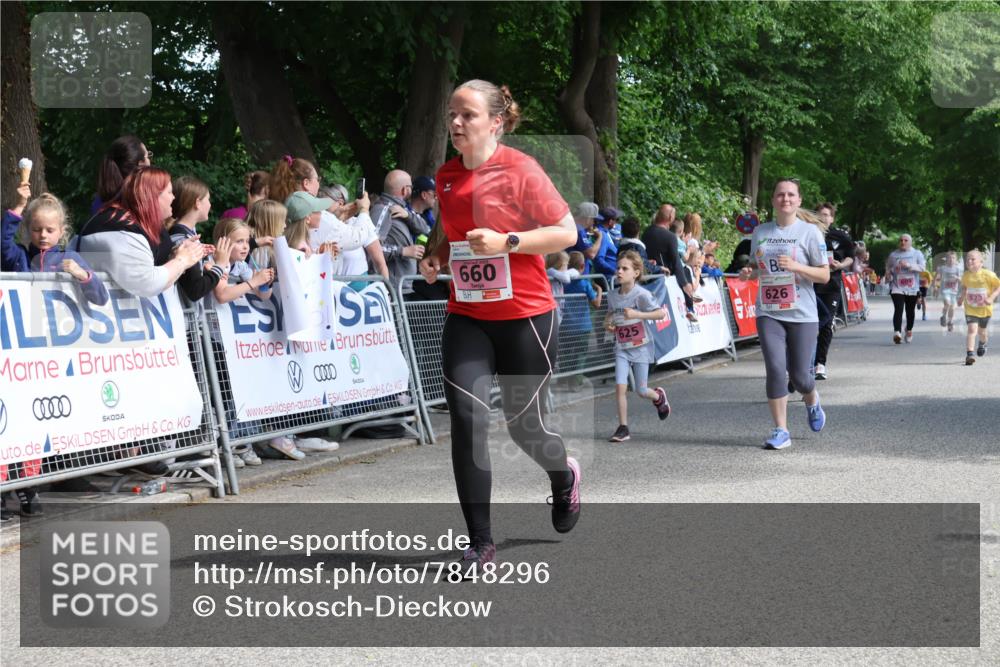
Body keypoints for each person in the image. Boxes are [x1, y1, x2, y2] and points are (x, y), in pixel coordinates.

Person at [418, 79, 581, 574]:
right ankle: (480, 542)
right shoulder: (446, 176)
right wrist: (434, 255)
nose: (456, 123)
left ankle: (563, 474)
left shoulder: (520, 170)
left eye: (467, 114)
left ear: (495, 121)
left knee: (525, 427)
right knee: (468, 421)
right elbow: (448, 230)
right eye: (452, 115)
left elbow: (566, 233)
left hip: (526, 317)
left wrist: (509, 240)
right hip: (467, 315)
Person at [739, 179, 830, 450]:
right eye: (780, 194)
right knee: (776, 369)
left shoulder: (811, 233)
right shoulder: (760, 232)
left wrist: (797, 266)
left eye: (791, 195)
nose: (785, 199)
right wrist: (750, 273)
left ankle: (811, 398)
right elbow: (759, 268)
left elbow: (824, 275)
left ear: (799, 201)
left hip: (802, 313)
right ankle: (781, 430)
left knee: (801, 377)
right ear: (773, 200)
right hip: (769, 311)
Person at [76, 166, 204, 298]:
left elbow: (148, 266)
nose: (173, 197)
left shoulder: (132, 223)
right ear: (154, 196)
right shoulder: (123, 229)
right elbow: (148, 283)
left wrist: (175, 253)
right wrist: (182, 260)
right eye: (170, 192)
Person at [605, 251, 671, 442]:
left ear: (635, 273)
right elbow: (609, 315)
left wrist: (637, 314)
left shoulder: (642, 294)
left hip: (641, 347)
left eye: (624, 268)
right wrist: (607, 324)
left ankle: (658, 397)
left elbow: (660, 314)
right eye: (618, 268)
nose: (619, 271)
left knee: (641, 391)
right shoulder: (612, 295)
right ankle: (623, 428)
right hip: (621, 347)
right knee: (620, 387)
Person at [166, 175, 233, 304]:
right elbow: (195, 290)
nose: (210, 204)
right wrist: (220, 265)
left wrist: (211, 269)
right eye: (208, 199)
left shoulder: (185, 236)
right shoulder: (182, 241)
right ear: (197, 203)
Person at [813, 202, 854, 380]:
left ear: (832, 218)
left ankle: (820, 364)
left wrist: (840, 265)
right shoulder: (808, 233)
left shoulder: (841, 236)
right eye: (820, 214)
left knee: (826, 323)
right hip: (810, 283)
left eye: (826, 215)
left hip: (831, 285)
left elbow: (850, 257)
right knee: (806, 324)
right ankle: (801, 362)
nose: (823, 218)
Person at [956, 249, 1000, 365]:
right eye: (967, 260)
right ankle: (970, 354)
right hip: (971, 308)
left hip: (985, 309)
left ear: (981, 262)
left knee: (982, 332)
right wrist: (961, 298)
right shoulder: (966, 275)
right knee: (972, 330)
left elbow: (998, 287)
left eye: (973, 259)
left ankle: (982, 343)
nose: (969, 261)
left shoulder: (988, 275)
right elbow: (965, 288)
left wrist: (991, 298)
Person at [884, 234, 926, 344]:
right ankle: (897, 333)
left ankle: (909, 330)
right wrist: (892, 271)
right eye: (901, 240)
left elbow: (922, 268)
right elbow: (888, 268)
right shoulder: (894, 255)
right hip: (897, 287)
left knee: (910, 311)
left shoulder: (917, 254)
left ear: (910, 242)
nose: (903, 242)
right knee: (898, 308)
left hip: (912, 288)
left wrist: (908, 265)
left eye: (906, 240)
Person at [93, 135, 151, 213]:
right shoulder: (144, 202)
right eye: (148, 156)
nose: (150, 162)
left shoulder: (99, 202)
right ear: (141, 165)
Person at [936, 251, 962, 332]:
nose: (951, 259)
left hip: (954, 291)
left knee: (952, 308)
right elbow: (936, 277)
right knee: (947, 304)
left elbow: (961, 280)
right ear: (946, 259)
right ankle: (944, 316)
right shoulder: (942, 268)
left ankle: (950, 322)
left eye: (953, 258)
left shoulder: (958, 269)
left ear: (956, 259)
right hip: (945, 290)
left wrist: (957, 278)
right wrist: (935, 287)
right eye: (949, 258)